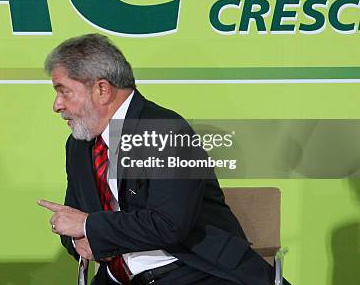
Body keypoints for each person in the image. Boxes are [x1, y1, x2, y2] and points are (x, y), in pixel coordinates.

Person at [38, 34, 289, 285]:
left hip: (190, 272)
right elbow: (72, 218)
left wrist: (90, 226)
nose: (56, 105)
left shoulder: (167, 131)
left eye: (64, 92)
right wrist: (76, 236)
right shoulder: (78, 145)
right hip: (117, 277)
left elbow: (169, 224)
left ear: (102, 90)